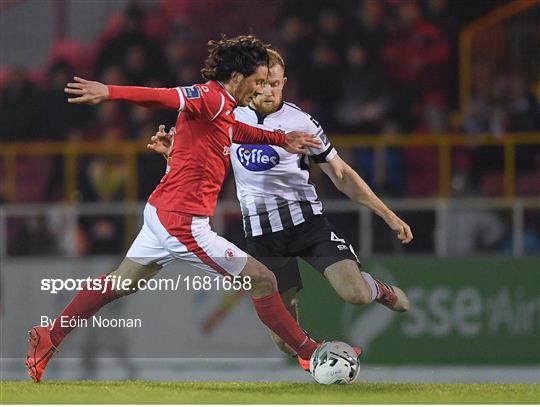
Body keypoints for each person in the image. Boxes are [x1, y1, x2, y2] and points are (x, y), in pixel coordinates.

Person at [26, 35, 325, 383]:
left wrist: (279, 139)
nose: (259, 90)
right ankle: (313, 353)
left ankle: (49, 336)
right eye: (258, 81)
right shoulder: (211, 95)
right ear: (238, 76)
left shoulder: (225, 107)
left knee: (119, 283)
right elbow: (163, 97)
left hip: (161, 212)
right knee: (262, 279)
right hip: (182, 223)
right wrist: (110, 91)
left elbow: (234, 130)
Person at [148, 48, 412, 369]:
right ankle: (321, 359)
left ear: (284, 82)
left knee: (355, 293)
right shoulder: (228, 116)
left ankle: (378, 290)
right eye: (263, 84)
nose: (269, 91)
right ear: (252, 82)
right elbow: (196, 160)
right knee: (283, 340)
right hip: (262, 236)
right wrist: (172, 155)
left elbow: (341, 174)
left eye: (276, 84)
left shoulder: (301, 122)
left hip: (307, 225)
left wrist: (388, 214)